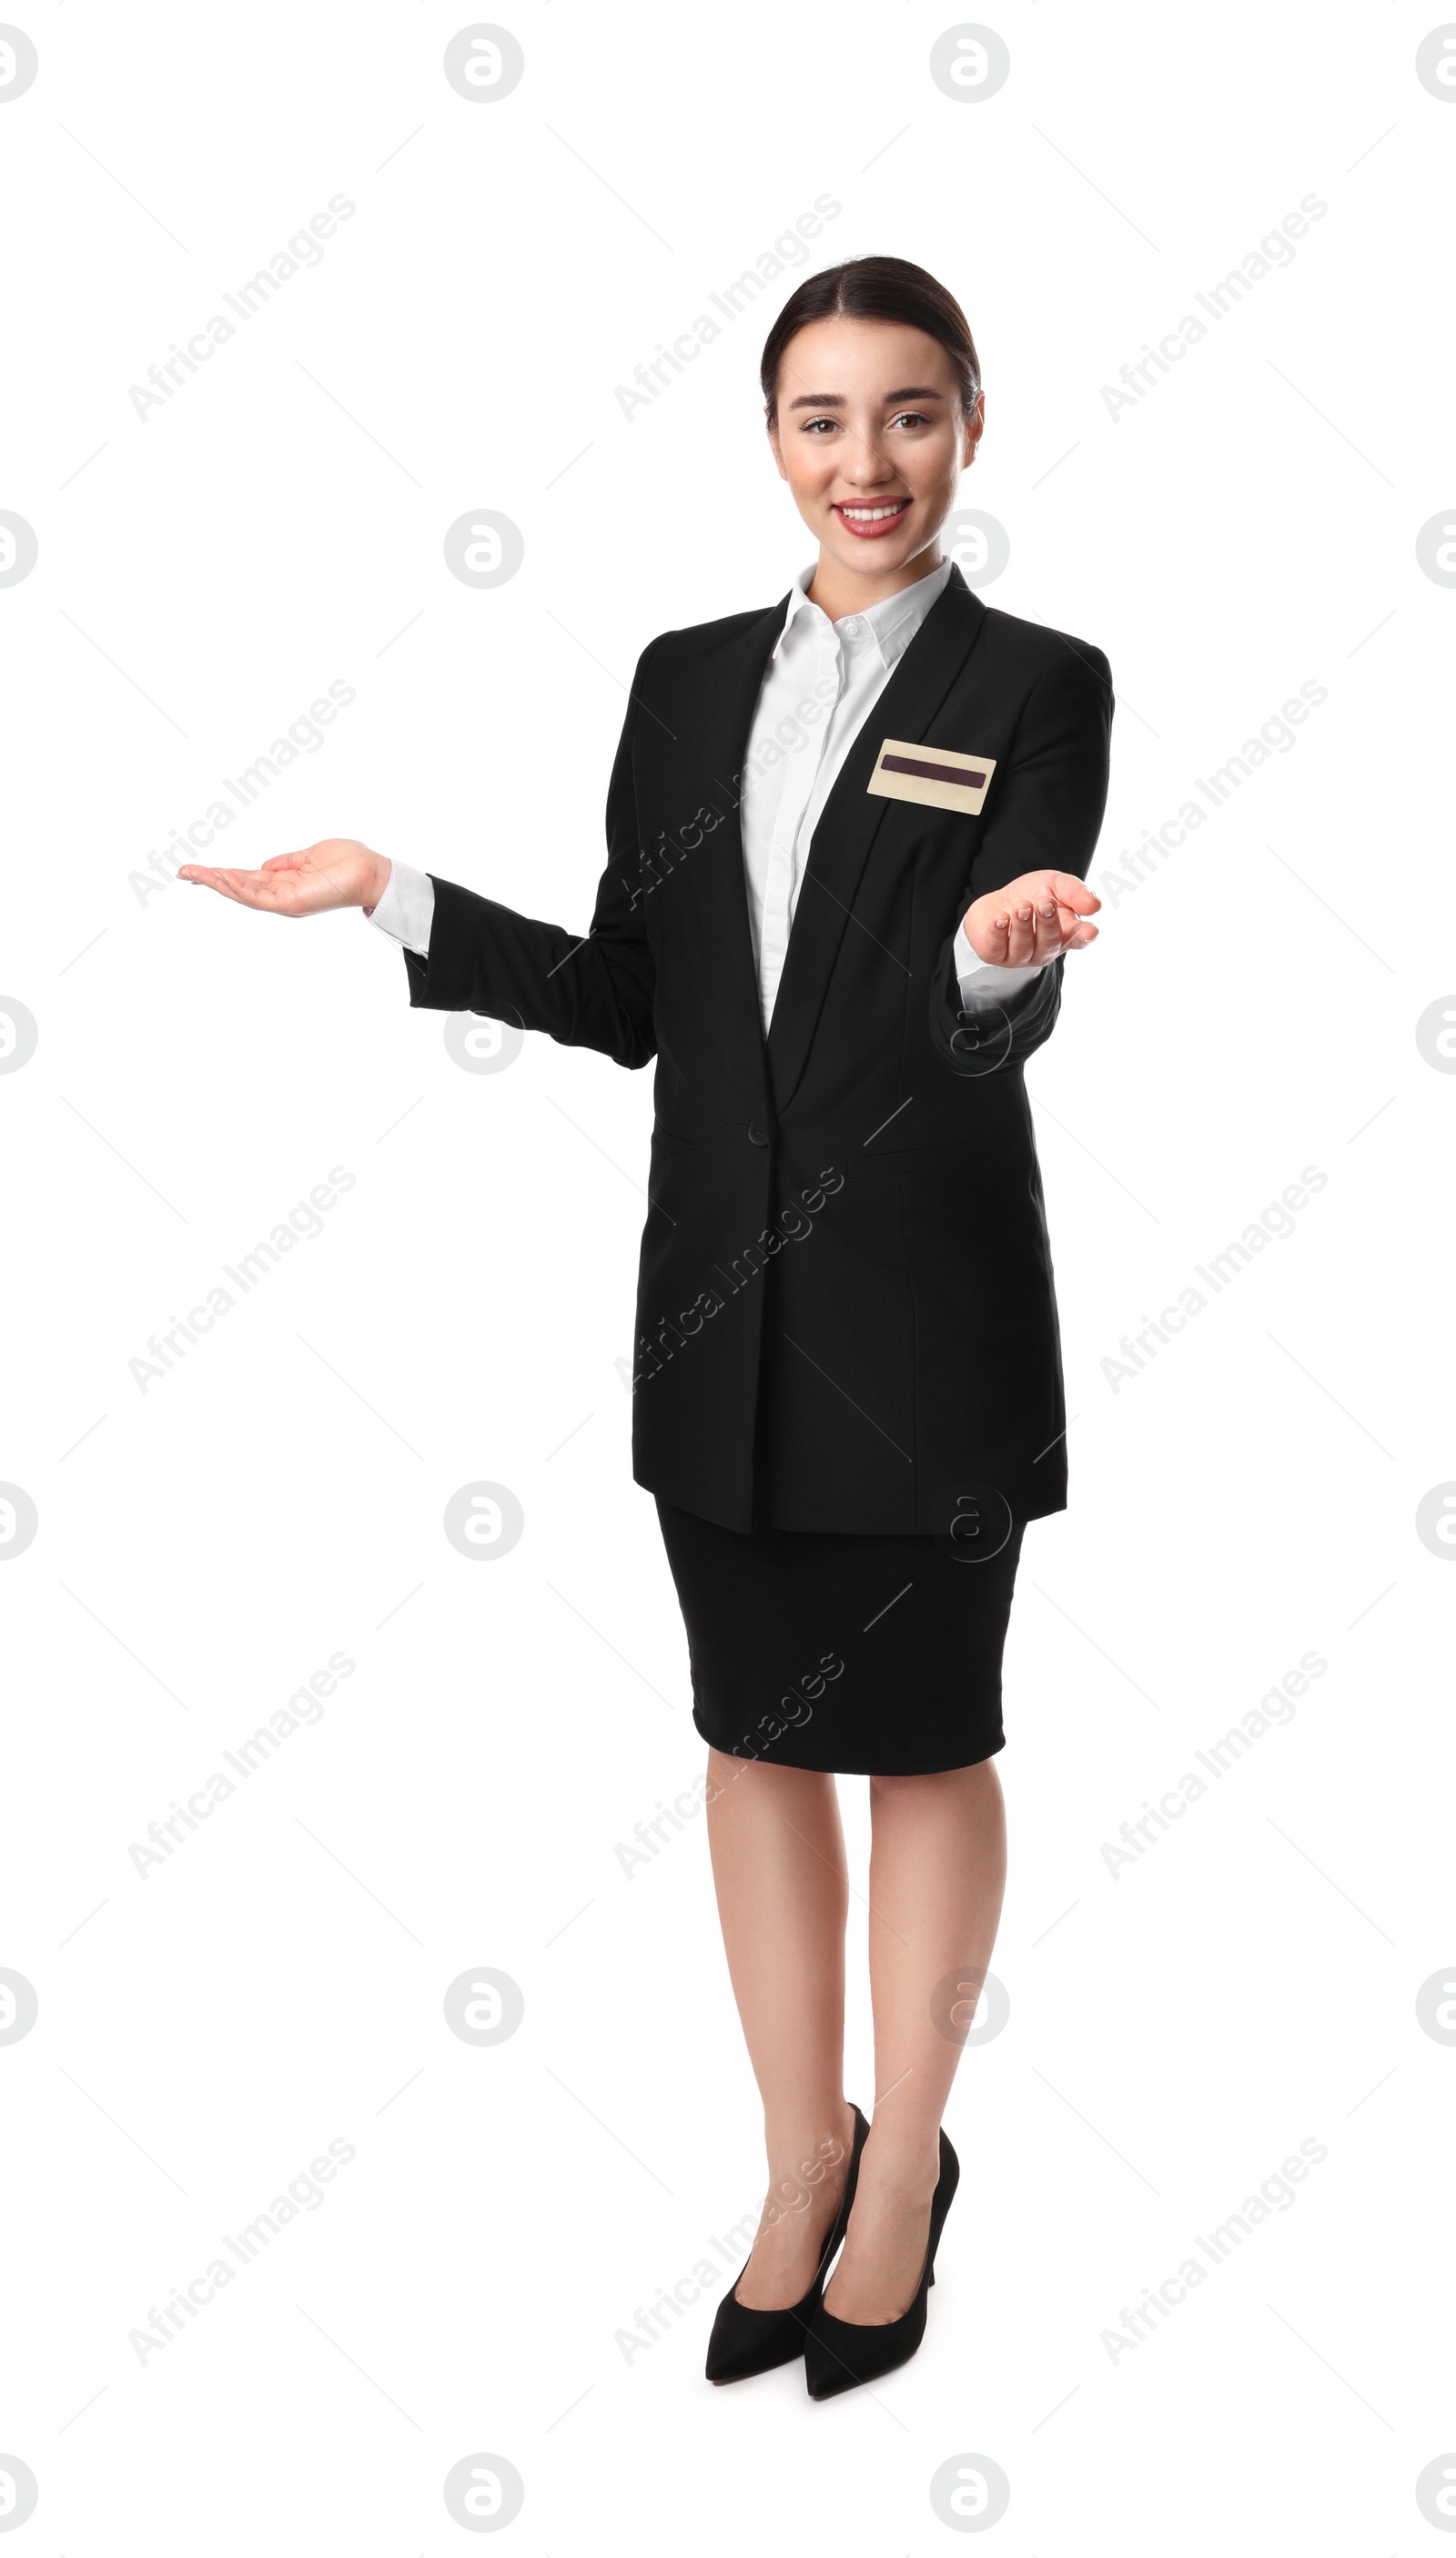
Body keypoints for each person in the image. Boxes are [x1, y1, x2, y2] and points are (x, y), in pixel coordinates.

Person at [180, 255, 1113, 2400]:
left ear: (969, 421)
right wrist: (397, 894)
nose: (860, 460)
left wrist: (990, 956)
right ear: (769, 436)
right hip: (722, 1315)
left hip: (932, 1316)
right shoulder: (683, 682)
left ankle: (904, 2185)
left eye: (903, 413)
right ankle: (801, 2162)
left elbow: (1001, 998)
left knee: (927, 1739)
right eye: (816, 416)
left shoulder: (1035, 679)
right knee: (752, 1737)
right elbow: (631, 1002)